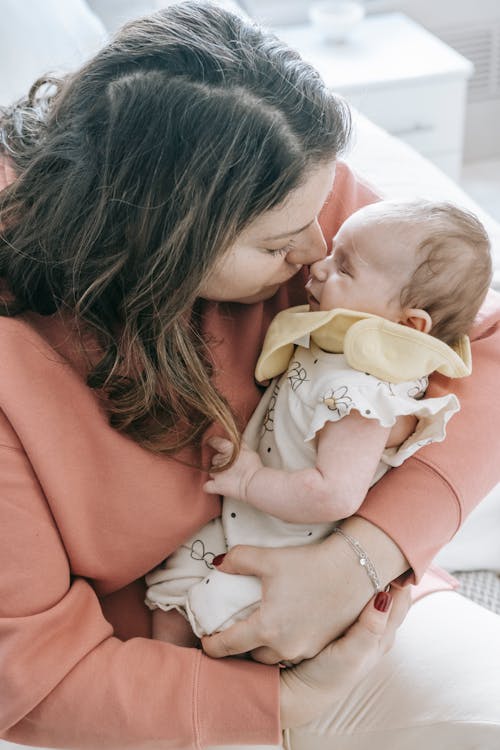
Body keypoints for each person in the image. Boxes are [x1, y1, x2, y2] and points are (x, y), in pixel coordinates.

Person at [0, 3, 499, 750]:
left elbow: (486, 344)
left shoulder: (284, 176)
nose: (320, 246)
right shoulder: (19, 365)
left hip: (345, 598)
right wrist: (286, 700)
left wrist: (357, 558)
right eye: (276, 245)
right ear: (164, 243)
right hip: (152, 671)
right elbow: (37, 671)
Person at [144, 198, 492, 638]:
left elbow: (334, 495)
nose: (318, 266)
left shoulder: (366, 393)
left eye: (345, 268)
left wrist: (251, 481)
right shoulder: (337, 345)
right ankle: (171, 672)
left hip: (289, 547)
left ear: (410, 325)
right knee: (174, 588)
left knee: (218, 616)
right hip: (250, 524)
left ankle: (207, 684)